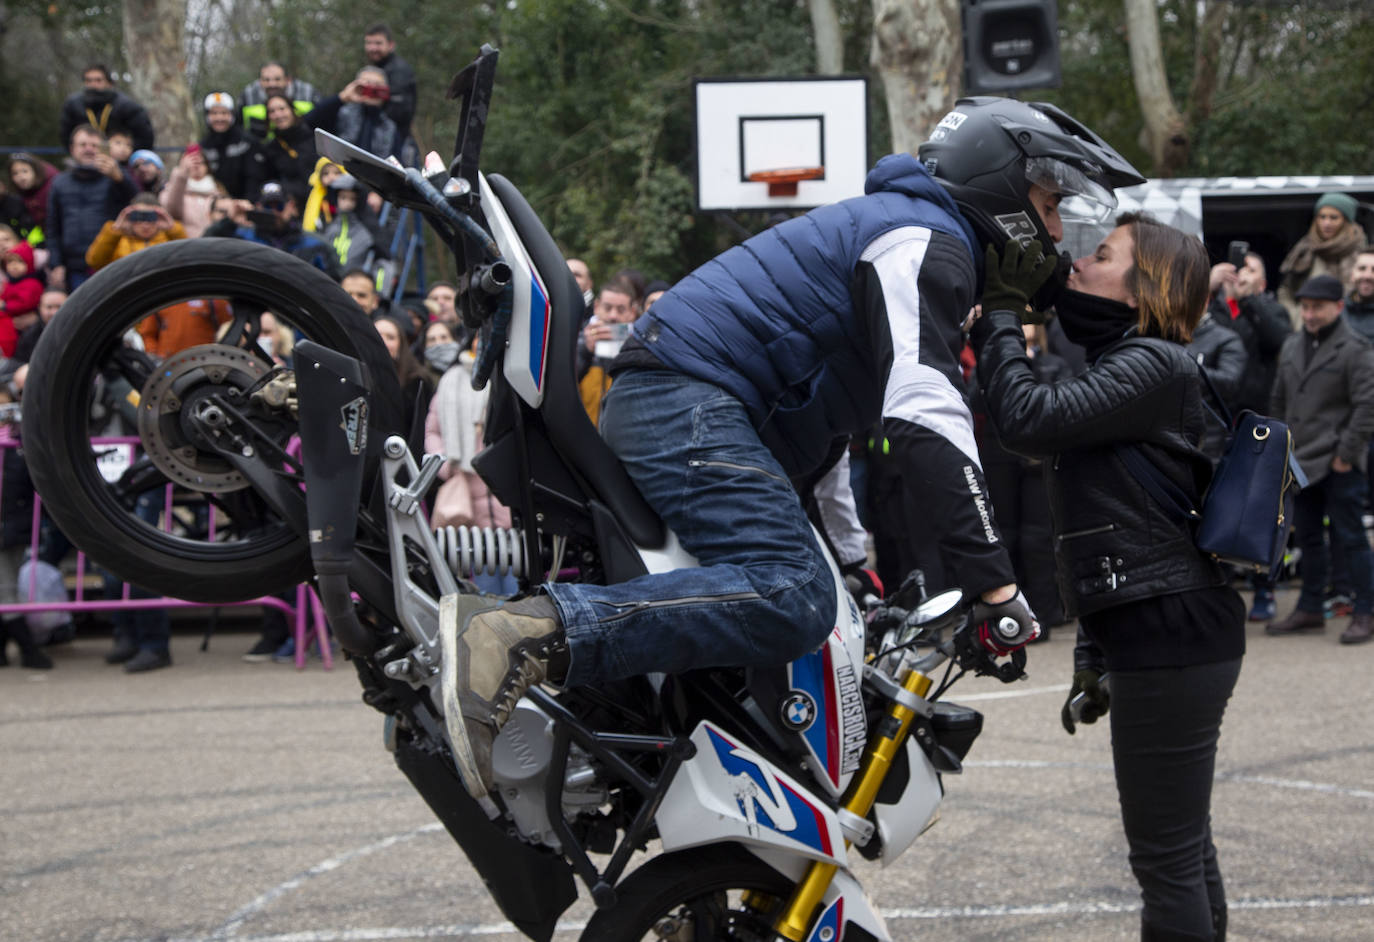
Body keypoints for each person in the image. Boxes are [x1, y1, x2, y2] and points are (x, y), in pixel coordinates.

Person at [436, 97, 1144, 802]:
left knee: (816, 596)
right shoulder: (926, 241)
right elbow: (927, 411)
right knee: (795, 596)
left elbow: (815, 421)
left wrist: (849, 567)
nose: (1057, 234)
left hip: (689, 400)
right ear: (1003, 184)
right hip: (685, 399)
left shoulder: (911, 231)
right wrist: (995, 583)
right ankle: (518, 634)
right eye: (1051, 206)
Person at [970, 212, 1244, 942]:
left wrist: (998, 313)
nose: (1079, 266)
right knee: (1183, 849)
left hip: (1172, 629)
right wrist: (1095, 651)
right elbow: (1119, 526)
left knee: (1166, 860)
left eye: (1101, 255)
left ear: (1144, 285)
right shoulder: (1136, 361)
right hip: (1165, 627)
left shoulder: (1150, 362)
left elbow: (1026, 417)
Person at [1265, 274, 1374, 646]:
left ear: (1338, 308)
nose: (1309, 314)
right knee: (1308, 538)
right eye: (1306, 307)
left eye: (1318, 308)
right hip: (1300, 462)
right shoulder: (1293, 345)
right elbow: (1279, 401)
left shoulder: (1355, 348)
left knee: (1351, 538)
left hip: (1339, 462)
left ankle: (1366, 612)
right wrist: (1282, 447)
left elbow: (1366, 406)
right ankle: (1310, 607)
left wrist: (1345, 455)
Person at [45, 125, 136, 291]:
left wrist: (120, 178)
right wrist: (56, 263)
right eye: (83, 145)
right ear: (72, 149)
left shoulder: (116, 176)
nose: (89, 149)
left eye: (94, 145)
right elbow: (52, 228)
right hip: (73, 268)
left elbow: (136, 202)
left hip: (111, 262)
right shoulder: (59, 182)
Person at [205, 181, 336, 276]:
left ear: (290, 206)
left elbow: (334, 280)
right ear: (258, 207)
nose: (274, 212)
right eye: (268, 206)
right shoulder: (243, 237)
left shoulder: (314, 243)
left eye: (279, 206)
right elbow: (206, 249)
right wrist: (230, 220)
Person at [1277, 193, 1367, 325]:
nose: (1326, 223)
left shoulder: (1360, 254)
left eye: (1333, 217)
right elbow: (1285, 291)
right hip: (1304, 323)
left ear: (1345, 221)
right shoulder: (1305, 249)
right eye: (1322, 217)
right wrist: (1296, 316)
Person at [306, 68, 404, 164]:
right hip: (339, 173)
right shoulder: (341, 113)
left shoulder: (390, 128)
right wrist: (343, 97)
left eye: (377, 87)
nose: (372, 90)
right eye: (367, 85)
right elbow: (309, 121)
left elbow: (397, 164)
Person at [577, 277, 640, 426]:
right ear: (596, 306)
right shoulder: (576, 340)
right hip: (580, 436)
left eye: (621, 309)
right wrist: (585, 351)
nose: (613, 316)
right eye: (607, 308)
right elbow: (561, 387)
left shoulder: (641, 348)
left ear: (632, 312)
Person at [58, 63, 155, 152]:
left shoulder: (127, 106)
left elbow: (144, 137)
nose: (93, 84)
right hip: (85, 157)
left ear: (109, 83)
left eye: (98, 80)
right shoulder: (73, 105)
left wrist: (126, 152)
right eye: (88, 80)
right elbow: (66, 135)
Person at [85, 193, 187, 271]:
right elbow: (95, 262)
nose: (145, 224)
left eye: (150, 217)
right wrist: (116, 229)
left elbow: (187, 258)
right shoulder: (119, 241)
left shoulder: (169, 241)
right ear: (130, 217)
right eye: (139, 217)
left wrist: (173, 229)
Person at [199, 92, 266, 202]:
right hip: (216, 205)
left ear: (232, 115)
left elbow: (255, 177)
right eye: (214, 113)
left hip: (247, 202)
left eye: (224, 113)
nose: (219, 118)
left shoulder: (247, 142)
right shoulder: (204, 146)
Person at [362, 23, 417, 148]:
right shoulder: (376, 68)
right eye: (369, 43)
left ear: (391, 45)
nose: (372, 48)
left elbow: (401, 111)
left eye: (378, 43)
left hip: (393, 143)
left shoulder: (399, 71)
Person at [240, 61, 320, 140]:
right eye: (266, 80)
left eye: (277, 79)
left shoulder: (307, 93)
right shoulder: (249, 96)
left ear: (288, 80)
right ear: (260, 81)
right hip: (264, 148)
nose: (272, 84)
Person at [260, 94, 319, 198]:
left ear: (292, 110)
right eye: (272, 111)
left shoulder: (313, 136)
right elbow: (271, 181)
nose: (278, 115)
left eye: (282, 109)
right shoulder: (270, 148)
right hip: (291, 202)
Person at [160, 145, 223, 238]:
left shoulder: (218, 192)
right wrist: (182, 175)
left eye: (201, 163)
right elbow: (172, 211)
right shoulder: (170, 191)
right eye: (192, 162)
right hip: (186, 246)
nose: (197, 166)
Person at [8, 154, 58, 244]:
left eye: (25, 171)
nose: (21, 177)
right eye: (15, 173)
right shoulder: (19, 196)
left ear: (35, 171)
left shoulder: (53, 187)